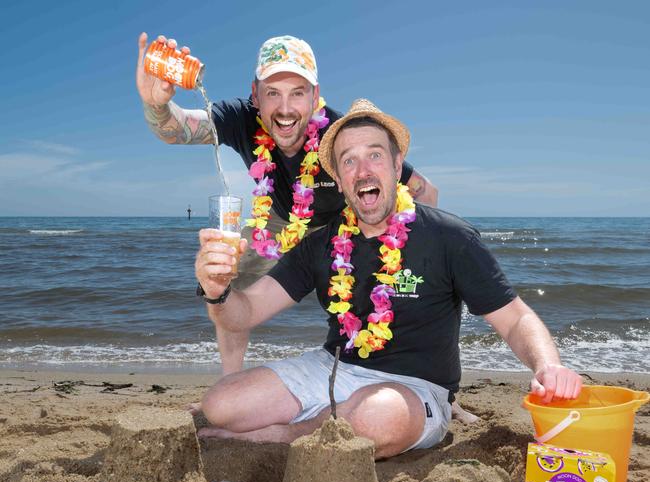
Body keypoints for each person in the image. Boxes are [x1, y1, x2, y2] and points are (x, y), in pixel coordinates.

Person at [193, 99, 583, 459]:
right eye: (348, 161)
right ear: (340, 180)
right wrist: (217, 291)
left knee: (377, 419)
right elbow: (242, 314)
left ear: (398, 168)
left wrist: (547, 367)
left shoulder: (450, 237)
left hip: (415, 390)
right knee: (221, 404)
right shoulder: (321, 244)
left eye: (375, 155)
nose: (363, 170)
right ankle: (322, 422)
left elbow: (515, 318)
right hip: (334, 368)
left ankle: (283, 436)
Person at [136, 33, 438, 377]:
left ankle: (429, 384)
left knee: (395, 294)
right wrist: (156, 104)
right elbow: (177, 130)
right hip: (278, 219)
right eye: (272, 93)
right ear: (255, 95)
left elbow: (424, 191)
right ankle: (230, 383)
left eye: (297, 93)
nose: (284, 109)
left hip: (346, 222)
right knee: (228, 279)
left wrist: (417, 251)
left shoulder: (341, 136)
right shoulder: (241, 119)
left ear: (315, 96)